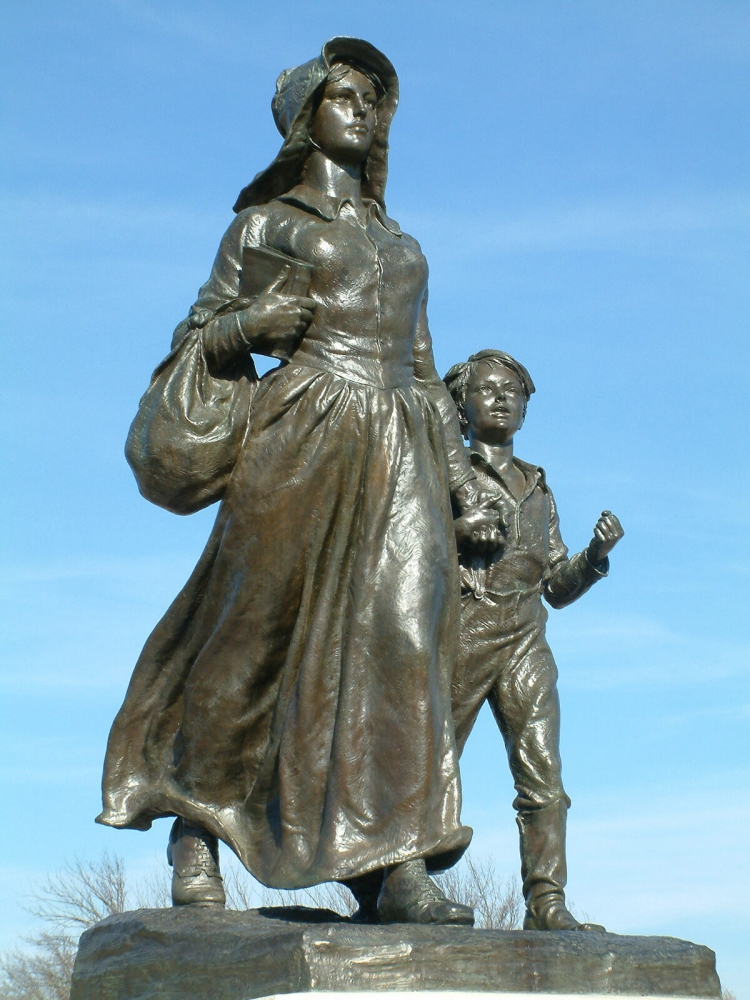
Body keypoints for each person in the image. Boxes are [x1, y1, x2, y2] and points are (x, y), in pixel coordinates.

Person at [97, 38, 498, 925]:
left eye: (372, 98)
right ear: (306, 113)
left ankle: (389, 859)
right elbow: (197, 331)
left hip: (399, 446)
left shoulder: (402, 243)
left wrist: (465, 481)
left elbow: (427, 370)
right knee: (253, 635)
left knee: (402, 646)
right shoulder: (265, 225)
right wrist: (250, 323)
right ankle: (195, 824)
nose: (362, 108)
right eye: (344, 94)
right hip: (303, 430)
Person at [444, 349, 624, 931]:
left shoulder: (539, 487)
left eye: (513, 391)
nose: (502, 398)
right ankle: (400, 883)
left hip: (525, 638)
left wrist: (594, 558)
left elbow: (555, 585)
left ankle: (547, 902)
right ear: (462, 408)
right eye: (488, 389)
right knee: (432, 761)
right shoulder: (447, 471)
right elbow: (407, 547)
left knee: (544, 774)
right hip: (463, 633)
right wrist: (455, 531)